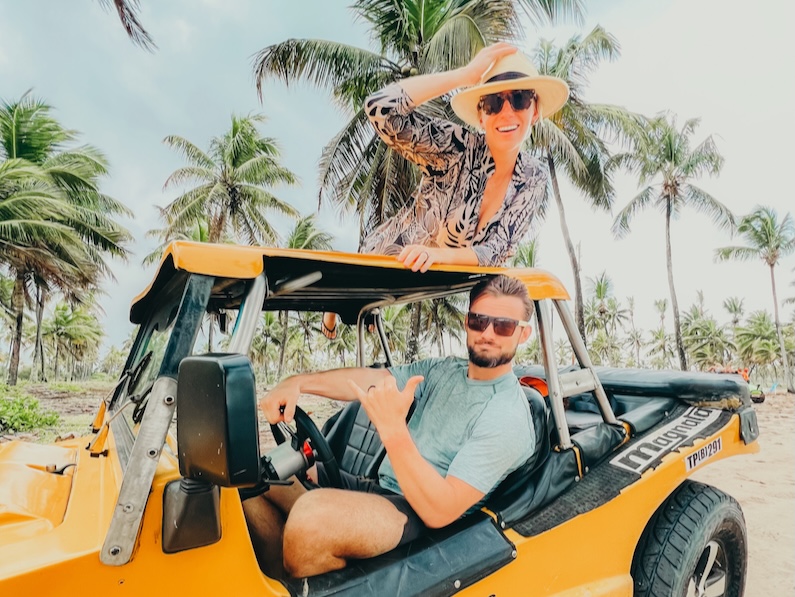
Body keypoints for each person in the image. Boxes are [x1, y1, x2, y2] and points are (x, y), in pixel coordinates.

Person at [243, 275, 536, 578]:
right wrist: (299, 383)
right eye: (479, 320)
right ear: (466, 322)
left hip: (420, 514)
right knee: (253, 480)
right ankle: (278, 580)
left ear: (523, 334)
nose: (487, 333)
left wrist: (393, 430)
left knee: (310, 520)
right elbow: (371, 380)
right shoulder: (444, 371)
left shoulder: (507, 416)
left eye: (503, 325)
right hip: (380, 488)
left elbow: (441, 509)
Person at [321, 42, 569, 338]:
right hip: (387, 258)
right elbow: (381, 109)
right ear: (481, 116)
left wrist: (435, 256)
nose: (506, 112)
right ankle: (330, 313)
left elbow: (495, 250)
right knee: (347, 306)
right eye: (492, 102)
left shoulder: (533, 176)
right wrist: (465, 75)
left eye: (519, 99)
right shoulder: (458, 147)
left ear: (535, 110)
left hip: (439, 281)